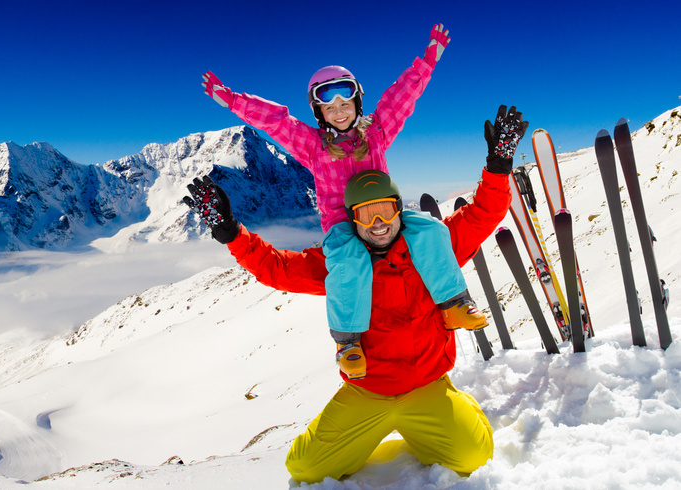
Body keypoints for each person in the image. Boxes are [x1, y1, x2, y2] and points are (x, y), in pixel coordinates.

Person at [184, 105, 528, 483]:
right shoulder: (341, 265)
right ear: (352, 220)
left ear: (401, 210)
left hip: (426, 387)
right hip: (367, 392)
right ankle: (381, 437)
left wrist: (498, 165)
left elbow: (483, 213)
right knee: (304, 468)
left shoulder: (433, 249)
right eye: (367, 215)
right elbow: (276, 269)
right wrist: (230, 231)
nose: (378, 224)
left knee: (475, 457)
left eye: (385, 212)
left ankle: (449, 416)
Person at [200, 24, 485, 380]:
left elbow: (401, 99)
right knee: (348, 262)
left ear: (356, 102)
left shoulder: (377, 135)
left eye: (345, 103)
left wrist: (427, 61)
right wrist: (233, 101)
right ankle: (349, 343)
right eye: (328, 106)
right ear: (319, 112)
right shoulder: (313, 146)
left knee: (430, 230)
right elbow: (278, 123)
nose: (338, 112)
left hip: (387, 215)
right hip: (343, 227)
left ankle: (454, 303)